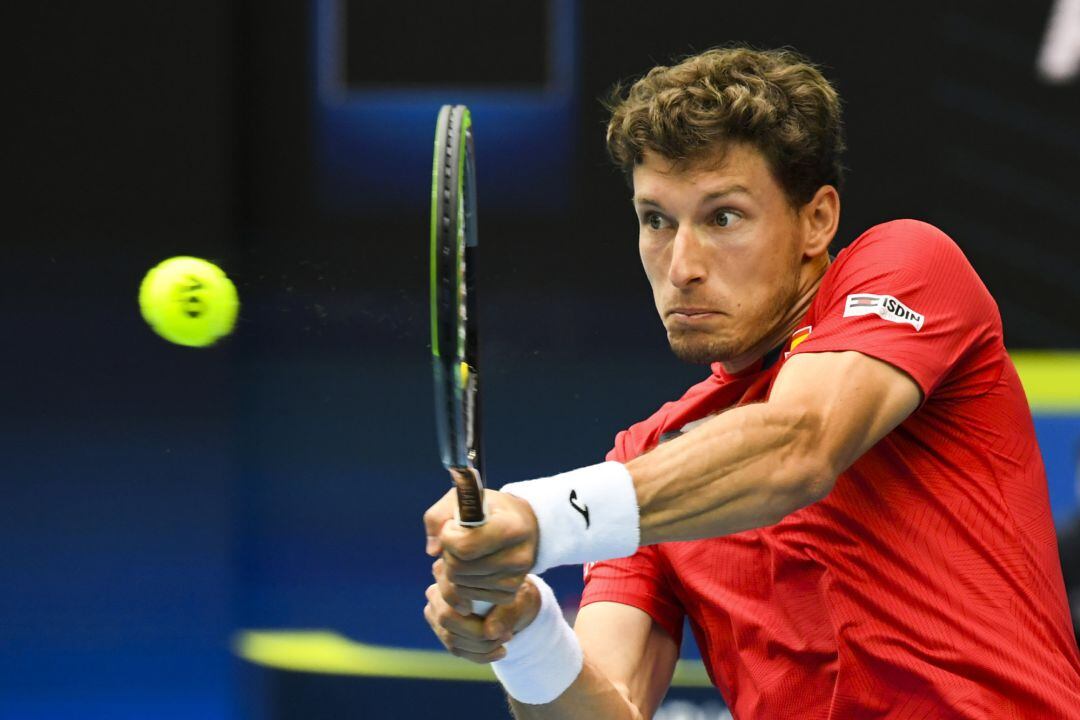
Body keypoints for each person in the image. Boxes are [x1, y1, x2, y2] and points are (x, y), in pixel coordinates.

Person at [422, 46, 1080, 718]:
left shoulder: (909, 265)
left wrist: (537, 518)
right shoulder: (647, 465)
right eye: (656, 221)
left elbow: (798, 447)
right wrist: (524, 631)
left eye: (722, 217)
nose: (681, 266)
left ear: (817, 220)